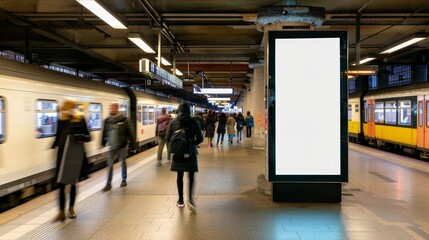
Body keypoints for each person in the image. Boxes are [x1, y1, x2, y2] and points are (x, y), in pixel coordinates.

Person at [52, 99, 91, 221]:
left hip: (74, 156)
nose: (70, 110)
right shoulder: (60, 121)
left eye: (71, 107)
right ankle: (61, 212)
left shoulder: (79, 120)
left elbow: (89, 136)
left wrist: (80, 137)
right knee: (61, 185)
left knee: (73, 184)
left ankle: (71, 209)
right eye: (68, 107)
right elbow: (58, 138)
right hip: (62, 156)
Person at [166, 103, 204, 211]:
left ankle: (180, 200)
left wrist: (177, 146)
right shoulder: (194, 122)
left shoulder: (173, 122)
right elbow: (200, 138)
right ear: (188, 111)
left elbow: (167, 138)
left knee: (179, 176)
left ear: (179, 110)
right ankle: (191, 200)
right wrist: (191, 144)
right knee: (191, 176)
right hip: (190, 153)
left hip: (178, 154)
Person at [101, 103, 136, 191]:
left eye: (113, 108)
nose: (111, 109)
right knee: (109, 165)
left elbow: (130, 133)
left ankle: (123, 180)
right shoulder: (107, 120)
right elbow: (105, 132)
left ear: (117, 108)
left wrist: (133, 145)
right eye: (110, 107)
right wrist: (102, 143)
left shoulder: (125, 120)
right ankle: (108, 184)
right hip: (111, 146)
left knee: (123, 163)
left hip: (122, 146)